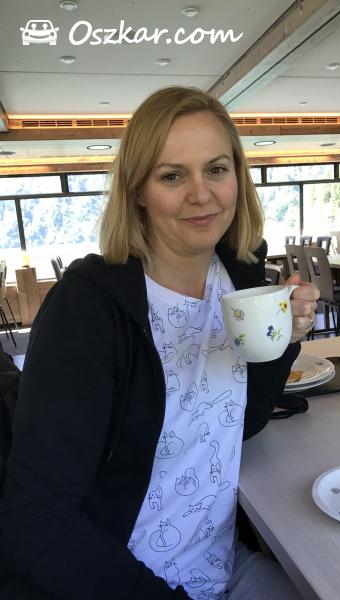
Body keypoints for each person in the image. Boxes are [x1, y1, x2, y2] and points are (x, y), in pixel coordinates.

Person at [0, 86, 319, 599]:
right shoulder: (88, 308)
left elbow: (243, 420)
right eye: (172, 176)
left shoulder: (239, 276)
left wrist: (283, 339)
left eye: (216, 169)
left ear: (237, 177)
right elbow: (35, 521)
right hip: (117, 578)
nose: (202, 194)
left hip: (219, 563)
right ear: (138, 191)